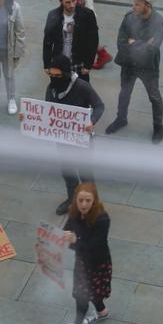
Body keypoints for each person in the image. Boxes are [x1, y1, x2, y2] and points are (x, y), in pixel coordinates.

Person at [46, 54, 104, 215]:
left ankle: (92, 206)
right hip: (62, 140)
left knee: (86, 176)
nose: (54, 78)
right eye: (51, 75)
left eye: (57, 75)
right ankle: (72, 199)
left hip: (82, 141)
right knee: (68, 173)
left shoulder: (82, 87)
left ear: (65, 74)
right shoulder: (51, 88)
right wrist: (29, 118)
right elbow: (46, 110)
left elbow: (99, 106)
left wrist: (91, 121)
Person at [105, 0, 163, 144]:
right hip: (129, 64)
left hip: (148, 67)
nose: (134, 7)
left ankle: (158, 127)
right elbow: (121, 43)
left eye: (137, 5)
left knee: (154, 97)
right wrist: (143, 44)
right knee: (124, 93)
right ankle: (121, 118)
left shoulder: (159, 23)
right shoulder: (129, 18)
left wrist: (134, 43)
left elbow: (152, 50)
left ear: (148, 5)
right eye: (134, 4)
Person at [54, 182, 112, 324]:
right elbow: (67, 228)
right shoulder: (74, 212)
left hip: (96, 264)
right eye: (81, 200)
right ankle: (102, 313)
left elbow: (94, 245)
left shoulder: (102, 219)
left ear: (94, 201)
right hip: (82, 261)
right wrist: (62, 237)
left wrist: (75, 239)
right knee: (93, 292)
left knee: (82, 295)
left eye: (88, 200)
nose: (84, 204)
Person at [43, 0, 99, 83]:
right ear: (61, 1)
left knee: (81, 93)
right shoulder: (53, 16)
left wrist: (88, 64)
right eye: (68, 2)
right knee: (58, 90)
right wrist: (47, 64)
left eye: (74, 0)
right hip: (60, 63)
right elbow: (47, 41)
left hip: (79, 62)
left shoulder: (87, 15)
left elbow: (93, 40)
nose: (72, 5)